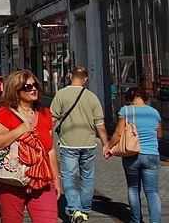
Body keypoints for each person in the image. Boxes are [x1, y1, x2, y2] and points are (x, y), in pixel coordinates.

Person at [0, 69, 61, 222]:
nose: (33, 89)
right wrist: (19, 130)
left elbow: (50, 149)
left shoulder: (45, 114)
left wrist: (57, 178)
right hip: (11, 179)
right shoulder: (5, 113)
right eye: (27, 87)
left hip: (42, 178)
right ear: (16, 91)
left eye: (35, 85)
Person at [50, 66, 109, 223]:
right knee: (87, 177)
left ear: (70, 76)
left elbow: (51, 120)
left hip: (68, 144)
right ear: (86, 79)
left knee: (68, 177)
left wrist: (46, 141)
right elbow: (100, 125)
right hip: (89, 144)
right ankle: (85, 210)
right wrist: (105, 144)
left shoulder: (61, 95)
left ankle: (75, 209)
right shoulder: (92, 97)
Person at [104, 87, 162, 223]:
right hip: (152, 155)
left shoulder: (126, 111)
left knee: (133, 188)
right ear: (143, 97)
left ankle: (136, 220)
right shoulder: (154, 112)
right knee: (152, 191)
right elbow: (159, 135)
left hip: (131, 154)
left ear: (129, 99)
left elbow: (118, 134)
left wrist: (108, 147)